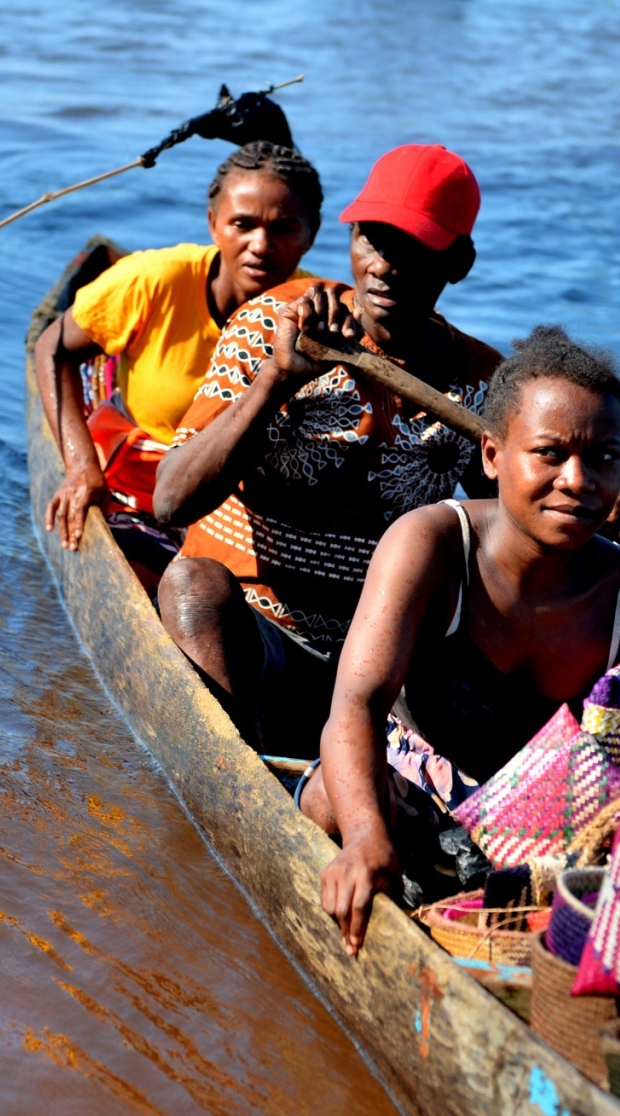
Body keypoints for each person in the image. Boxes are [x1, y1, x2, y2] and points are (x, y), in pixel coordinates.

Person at [298, 326, 620, 956]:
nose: (579, 480)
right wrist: (367, 838)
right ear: (493, 456)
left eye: (604, 458)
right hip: (410, 804)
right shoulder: (431, 545)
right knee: (329, 803)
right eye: (550, 454)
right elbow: (355, 706)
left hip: (542, 833)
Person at [153, 144, 505, 754]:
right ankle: (243, 768)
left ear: (460, 261)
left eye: (413, 247)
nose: (383, 268)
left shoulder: (481, 383)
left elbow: (515, 528)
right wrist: (277, 380)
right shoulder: (272, 322)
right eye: (372, 239)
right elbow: (170, 501)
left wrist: (586, 494)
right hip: (255, 632)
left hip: (378, 655)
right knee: (190, 587)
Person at [34, 141, 323, 590]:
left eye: (285, 228)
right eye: (242, 224)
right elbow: (52, 348)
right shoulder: (154, 279)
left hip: (232, 487)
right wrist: (78, 465)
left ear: (312, 234)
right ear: (213, 224)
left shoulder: (315, 312)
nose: (260, 246)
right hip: (141, 476)